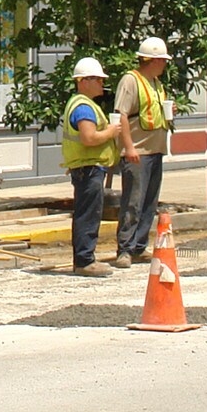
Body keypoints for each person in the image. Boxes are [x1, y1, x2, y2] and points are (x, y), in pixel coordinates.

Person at [62, 56, 130, 277]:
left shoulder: (83, 104)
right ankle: (85, 260)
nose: (102, 83)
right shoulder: (83, 108)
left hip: (87, 168)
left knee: (87, 212)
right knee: (88, 214)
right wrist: (111, 132)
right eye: (98, 79)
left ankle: (85, 258)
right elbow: (89, 138)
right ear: (84, 81)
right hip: (89, 169)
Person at [113, 36, 174, 267]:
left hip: (155, 149)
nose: (165, 64)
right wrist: (128, 147)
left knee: (149, 202)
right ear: (152, 60)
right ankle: (125, 248)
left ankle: (139, 246)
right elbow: (121, 115)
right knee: (133, 201)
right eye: (162, 60)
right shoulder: (131, 80)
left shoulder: (157, 83)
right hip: (138, 151)